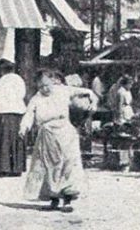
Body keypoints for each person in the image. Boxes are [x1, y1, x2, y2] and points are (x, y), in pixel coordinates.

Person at [19, 70, 94, 213]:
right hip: (47, 135)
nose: (44, 89)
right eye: (40, 87)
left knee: (68, 164)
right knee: (49, 167)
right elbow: (29, 114)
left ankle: (67, 200)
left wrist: (90, 96)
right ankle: (53, 199)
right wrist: (24, 128)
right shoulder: (36, 98)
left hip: (65, 132)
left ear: (52, 81)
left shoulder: (62, 91)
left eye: (47, 85)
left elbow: (84, 91)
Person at [0, 58, 27, 176]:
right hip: (18, 113)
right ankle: (17, 168)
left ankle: (4, 168)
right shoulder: (19, 79)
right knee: (16, 141)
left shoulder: (3, 80)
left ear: (2, 70)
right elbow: (22, 93)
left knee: (3, 141)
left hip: (3, 113)